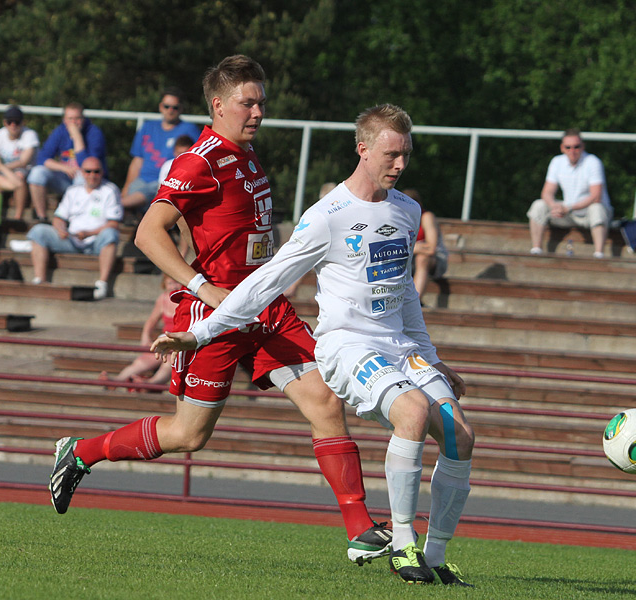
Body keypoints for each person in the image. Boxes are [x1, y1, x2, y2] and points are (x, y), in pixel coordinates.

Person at [47, 55, 390, 567]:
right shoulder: (198, 161)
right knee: (189, 435)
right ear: (218, 105)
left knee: (324, 401)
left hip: (265, 307)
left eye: (261, 102)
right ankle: (79, 454)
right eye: (247, 102)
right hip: (218, 317)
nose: (257, 111)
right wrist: (205, 290)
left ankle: (360, 529)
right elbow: (147, 232)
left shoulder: (248, 156)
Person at [152, 104, 476, 586]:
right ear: (362, 149)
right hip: (347, 346)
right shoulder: (328, 215)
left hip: (399, 345)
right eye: (391, 154)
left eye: (406, 155)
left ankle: (436, 555)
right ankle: (404, 547)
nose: (400, 165)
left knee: (460, 434)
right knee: (410, 412)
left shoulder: (407, 211)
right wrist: (200, 332)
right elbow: (267, 280)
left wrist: (431, 357)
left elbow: (404, 292)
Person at [26, 156, 120, 299]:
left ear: (102, 172)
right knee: (38, 231)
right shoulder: (73, 191)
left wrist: (89, 233)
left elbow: (114, 223)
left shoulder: (110, 190)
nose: (92, 175)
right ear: (82, 172)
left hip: (96, 242)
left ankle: (102, 283)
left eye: (96, 171)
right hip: (71, 239)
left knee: (111, 234)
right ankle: (40, 280)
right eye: (88, 171)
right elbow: (58, 218)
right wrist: (60, 229)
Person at [527, 128, 614, 258]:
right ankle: (536, 250)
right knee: (539, 205)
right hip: (568, 213)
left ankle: (599, 255)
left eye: (576, 147)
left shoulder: (593, 162)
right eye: (568, 147)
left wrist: (570, 207)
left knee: (597, 209)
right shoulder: (557, 162)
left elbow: (596, 196)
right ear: (562, 148)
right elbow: (547, 192)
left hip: (587, 214)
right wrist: (554, 206)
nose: (572, 151)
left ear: (583, 146)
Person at [120, 88, 201, 216]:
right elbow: (137, 161)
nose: (170, 110)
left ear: (181, 109)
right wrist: (125, 188)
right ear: (160, 107)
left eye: (175, 107)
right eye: (167, 106)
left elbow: (197, 162)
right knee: (132, 195)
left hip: (167, 182)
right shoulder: (147, 127)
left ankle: (119, 205)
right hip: (141, 181)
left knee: (148, 193)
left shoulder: (190, 130)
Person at [28, 102, 107, 223]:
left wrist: (77, 137)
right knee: (37, 173)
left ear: (83, 118)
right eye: (70, 119)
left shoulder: (94, 133)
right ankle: (41, 217)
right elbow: (42, 158)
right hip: (64, 178)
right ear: (64, 120)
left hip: (89, 181)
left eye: (77, 118)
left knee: (81, 177)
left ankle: (75, 220)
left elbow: (87, 164)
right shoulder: (60, 131)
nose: (74, 123)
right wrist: (64, 168)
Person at [99, 274, 177, 390]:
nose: (174, 286)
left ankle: (151, 383)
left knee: (170, 360)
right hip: (165, 339)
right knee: (146, 359)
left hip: (179, 340)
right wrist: (145, 337)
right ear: (164, 284)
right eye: (170, 283)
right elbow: (151, 320)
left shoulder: (186, 299)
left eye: (176, 283)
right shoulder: (163, 299)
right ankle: (117, 380)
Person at [0, 105, 40, 222]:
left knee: (18, 177)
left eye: (17, 121)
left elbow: (23, 162)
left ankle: (18, 217)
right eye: (10, 121)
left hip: (27, 171)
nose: (13, 125)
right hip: (7, 172)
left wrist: (1, 167)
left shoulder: (30, 135)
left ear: (23, 123)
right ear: (5, 123)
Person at [403, 188, 448, 296]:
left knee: (422, 259)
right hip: (409, 258)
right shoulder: (398, 219)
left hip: (435, 260)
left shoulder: (426, 217)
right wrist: (413, 249)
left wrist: (411, 249)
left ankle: (416, 301)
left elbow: (431, 249)